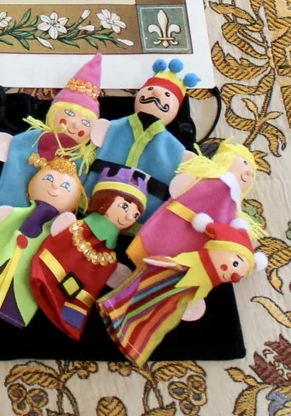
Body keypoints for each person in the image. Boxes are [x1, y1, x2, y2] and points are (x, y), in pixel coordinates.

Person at [98, 222, 265, 366]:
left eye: (240, 274)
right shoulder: (192, 261)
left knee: (156, 318)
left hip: (177, 300)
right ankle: (117, 313)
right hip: (159, 283)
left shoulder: (207, 282)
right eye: (236, 264)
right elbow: (175, 263)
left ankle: (132, 338)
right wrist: (162, 262)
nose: (235, 276)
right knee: (140, 298)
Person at [0, 155, 82, 328]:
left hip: (27, 269)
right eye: (49, 178)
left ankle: (13, 310)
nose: (55, 186)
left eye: (66, 186)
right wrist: (4, 217)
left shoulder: (55, 229)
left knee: (20, 286)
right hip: (0, 255)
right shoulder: (18, 214)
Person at [0, 54, 102, 225]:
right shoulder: (31, 139)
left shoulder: (83, 157)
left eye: (86, 122)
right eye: (69, 113)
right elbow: (16, 157)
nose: (76, 124)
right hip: (13, 207)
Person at [30, 167, 147, 340]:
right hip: (42, 277)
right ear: (105, 200)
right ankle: (48, 282)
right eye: (124, 206)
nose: (130, 217)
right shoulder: (79, 228)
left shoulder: (109, 253)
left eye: (136, 215)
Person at [86, 58, 199, 220]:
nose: (156, 94)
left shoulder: (175, 149)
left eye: (167, 94)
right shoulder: (112, 127)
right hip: (91, 203)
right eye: (150, 89)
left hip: (139, 218)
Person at [128, 140, 262, 263]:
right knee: (159, 245)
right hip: (175, 223)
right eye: (245, 163)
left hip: (198, 245)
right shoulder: (206, 180)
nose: (249, 172)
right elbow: (179, 187)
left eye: (253, 172)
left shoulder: (232, 206)